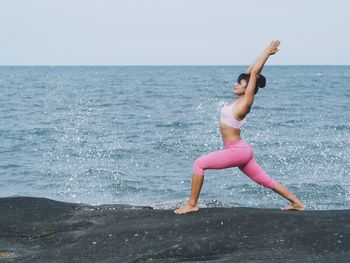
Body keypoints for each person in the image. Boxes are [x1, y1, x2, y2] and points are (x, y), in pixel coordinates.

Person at [175, 40, 305, 215]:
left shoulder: (245, 103)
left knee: (199, 163)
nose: (236, 84)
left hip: (237, 151)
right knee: (266, 181)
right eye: (237, 82)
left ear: (248, 88)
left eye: (240, 83)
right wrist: (262, 52)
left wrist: (267, 52)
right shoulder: (237, 101)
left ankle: (192, 204)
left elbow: (254, 74)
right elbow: (250, 72)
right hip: (242, 151)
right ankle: (297, 203)